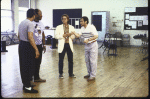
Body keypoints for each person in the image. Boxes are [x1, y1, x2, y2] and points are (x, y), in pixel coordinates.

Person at [18, 8, 39, 93]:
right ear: (34, 15)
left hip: (22, 45)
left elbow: (19, 36)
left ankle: (25, 85)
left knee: (23, 66)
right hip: (27, 46)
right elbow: (30, 37)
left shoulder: (21, 23)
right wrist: (36, 49)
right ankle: (28, 87)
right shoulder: (30, 24)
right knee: (29, 66)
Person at [73, 16, 98, 81]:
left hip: (93, 45)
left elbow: (96, 36)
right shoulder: (82, 28)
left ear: (85, 21)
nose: (80, 22)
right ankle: (89, 73)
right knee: (87, 60)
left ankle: (93, 75)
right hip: (86, 46)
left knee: (92, 61)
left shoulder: (91, 27)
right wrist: (73, 33)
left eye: (81, 21)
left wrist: (88, 39)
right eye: (80, 21)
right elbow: (78, 35)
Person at [55, 14, 76, 78]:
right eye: (62, 19)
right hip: (62, 45)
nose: (63, 20)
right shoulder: (58, 27)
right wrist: (63, 36)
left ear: (68, 19)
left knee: (71, 60)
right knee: (61, 60)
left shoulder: (71, 27)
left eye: (65, 19)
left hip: (69, 45)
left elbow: (73, 36)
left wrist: (70, 35)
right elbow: (56, 36)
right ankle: (60, 73)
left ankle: (71, 73)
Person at [32, 9, 46, 83]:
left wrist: (44, 44)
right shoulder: (31, 23)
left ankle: (37, 77)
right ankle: (30, 79)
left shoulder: (41, 23)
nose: (41, 16)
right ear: (36, 14)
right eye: (40, 14)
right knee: (32, 62)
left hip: (39, 45)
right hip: (32, 46)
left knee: (38, 62)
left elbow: (42, 34)